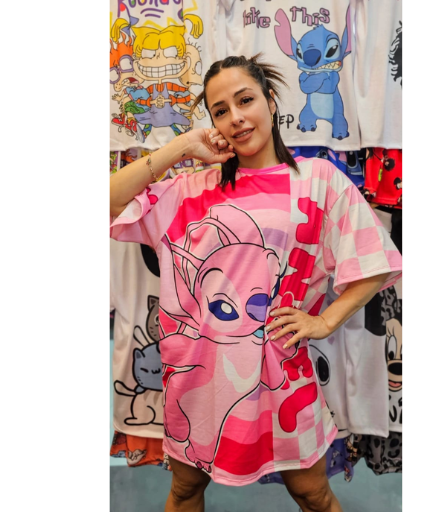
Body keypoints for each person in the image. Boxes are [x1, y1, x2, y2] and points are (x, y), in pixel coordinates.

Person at [110, 54, 402, 512]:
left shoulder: (317, 181)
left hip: (282, 379)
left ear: (270, 100)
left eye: (245, 100)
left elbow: (376, 260)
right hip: (198, 381)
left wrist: (324, 321)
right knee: (185, 490)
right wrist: (182, 146)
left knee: (312, 493)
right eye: (220, 110)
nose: (235, 117)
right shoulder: (191, 189)